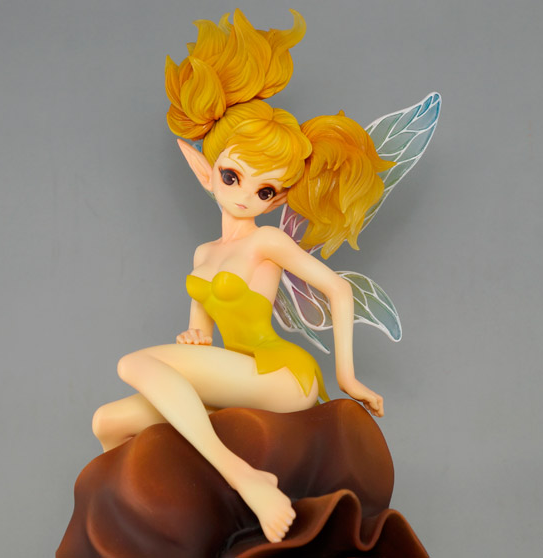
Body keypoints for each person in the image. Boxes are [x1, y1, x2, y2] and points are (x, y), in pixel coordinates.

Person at [90, 9, 392, 544]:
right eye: (233, 176)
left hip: (279, 375)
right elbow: (200, 334)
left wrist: (346, 378)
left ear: (277, 199)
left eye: (266, 190)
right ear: (206, 172)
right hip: (234, 376)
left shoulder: (266, 242)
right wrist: (193, 336)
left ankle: (245, 477)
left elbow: (339, 289)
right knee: (106, 422)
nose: (246, 195)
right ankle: (173, 511)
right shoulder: (203, 253)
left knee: (132, 363)